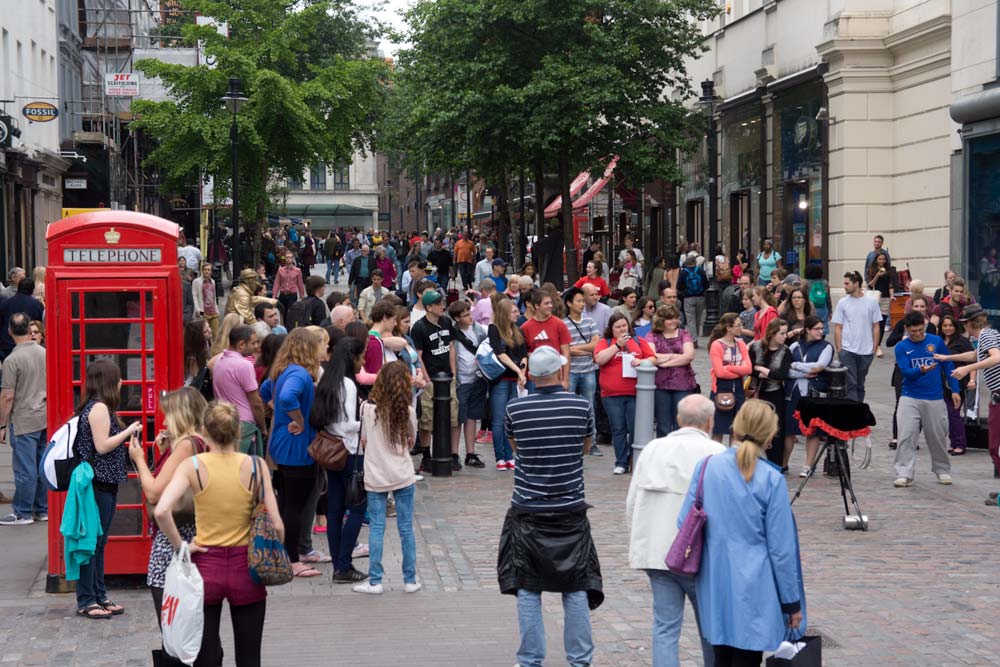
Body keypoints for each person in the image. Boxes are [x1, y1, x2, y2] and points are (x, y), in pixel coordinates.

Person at [678, 400, 805, 666]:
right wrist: (792, 602)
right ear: (770, 435)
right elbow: (781, 550)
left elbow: (684, 520)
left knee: (720, 657)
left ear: (735, 427)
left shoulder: (707, 466)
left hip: (715, 577)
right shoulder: (771, 479)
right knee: (748, 658)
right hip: (756, 583)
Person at [497, 346, 602, 667]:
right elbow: (584, 447)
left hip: (529, 509)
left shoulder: (516, 409)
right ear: (559, 372)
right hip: (570, 508)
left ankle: (530, 660)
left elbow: (517, 449)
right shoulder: (580, 406)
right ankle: (580, 660)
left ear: (530, 375)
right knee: (576, 587)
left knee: (528, 588)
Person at [154, 401, 279, 667]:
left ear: (204, 432)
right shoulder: (256, 466)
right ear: (238, 432)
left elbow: (162, 511)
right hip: (246, 568)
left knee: (206, 657)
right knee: (249, 658)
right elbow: (277, 526)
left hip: (205, 568)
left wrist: (182, 547)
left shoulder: (194, 466)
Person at [626, 395, 722, 667]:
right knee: (710, 629)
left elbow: (633, 501)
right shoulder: (715, 453)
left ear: (679, 420)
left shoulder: (654, 448)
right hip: (701, 556)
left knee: (665, 627)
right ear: (710, 421)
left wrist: (638, 543)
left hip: (659, 551)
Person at [127, 387, 208, 621]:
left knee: (172, 625)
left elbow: (153, 493)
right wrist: (164, 453)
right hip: (195, 531)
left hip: (175, 538)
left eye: (168, 414)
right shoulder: (199, 441)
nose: (165, 419)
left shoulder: (187, 444)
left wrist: (139, 459)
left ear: (180, 415)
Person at [71, 360, 144, 618]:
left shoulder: (100, 406)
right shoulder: (100, 408)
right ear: (109, 381)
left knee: (99, 543)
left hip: (104, 483)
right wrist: (130, 431)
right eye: (118, 377)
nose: (122, 382)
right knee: (92, 542)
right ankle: (87, 599)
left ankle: (99, 595)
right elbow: (102, 446)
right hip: (97, 483)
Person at [352, 361, 422, 595]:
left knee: (377, 528)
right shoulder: (407, 411)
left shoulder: (367, 409)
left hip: (376, 473)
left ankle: (375, 581)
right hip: (402, 473)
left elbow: (363, 440)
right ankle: (410, 579)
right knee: (405, 528)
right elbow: (412, 438)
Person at [260, 328, 322, 578]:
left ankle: (282, 554)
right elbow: (287, 397)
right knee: (296, 504)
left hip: (282, 441)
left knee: (286, 500)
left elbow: (266, 391)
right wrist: (298, 419)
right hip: (297, 444)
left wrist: (283, 414)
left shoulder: (283, 370)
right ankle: (293, 560)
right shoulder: (300, 373)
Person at [309, 337, 370, 583]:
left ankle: (338, 565)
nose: (363, 361)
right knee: (357, 507)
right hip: (349, 451)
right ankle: (344, 564)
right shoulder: (348, 384)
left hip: (331, 451)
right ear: (351, 358)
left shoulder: (328, 380)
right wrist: (366, 417)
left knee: (335, 510)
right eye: (361, 356)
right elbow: (347, 425)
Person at [891, 311, 959, 488]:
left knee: (937, 436)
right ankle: (904, 473)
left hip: (934, 396)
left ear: (925, 325)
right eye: (913, 331)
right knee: (906, 434)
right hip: (909, 396)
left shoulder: (936, 341)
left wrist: (955, 390)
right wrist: (921, 370)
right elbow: (905, 371)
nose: (918, 334)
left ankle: (942, 469)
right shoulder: (901, 347)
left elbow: (948, 365)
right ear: (906, 329)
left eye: (920, 330)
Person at [948, 304, 1000, 503]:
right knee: (995, 446)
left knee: (995, 447)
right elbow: (975, 355)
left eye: (964, 324)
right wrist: (949, 357)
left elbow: (996, 357)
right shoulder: (989, 335)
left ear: (969, 323)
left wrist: (968, 368)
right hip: (996, 396)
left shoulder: (986, 337)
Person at [594, 312, 656, 474]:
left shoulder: (638, 341)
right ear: (611, 329)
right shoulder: (605, 342)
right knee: (618, 428)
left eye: (624, 326)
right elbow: (600, 359)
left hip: (635, 393)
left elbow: (653, 358)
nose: (622, 329)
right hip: (611, 395)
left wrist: (641, 361)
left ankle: (631, 458)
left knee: (635, 427)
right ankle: (620, 461)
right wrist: (617, 346)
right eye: (618, 327)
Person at [0, 313, 48, 525]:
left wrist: (2, 424)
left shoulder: (12, 360)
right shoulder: (44, 353)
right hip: (45, 416)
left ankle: (22, 512)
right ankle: (42, 509)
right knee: (41, 466)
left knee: (25, 469)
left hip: (24, 419)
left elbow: (7, 396)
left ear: (10, 331)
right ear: (30, 330)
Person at [410, 290, 462, 472]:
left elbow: (451, 346)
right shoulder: (419, 327)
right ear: (429, 307)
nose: (443, 306)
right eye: (439, 304)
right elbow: (418, 355)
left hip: (447, 377)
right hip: (431, 378)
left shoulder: (446, 322)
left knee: (453, 416)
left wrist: (454, 372)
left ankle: (453, 454)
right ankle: (426, 454)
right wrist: (426, 378)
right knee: (428, 418)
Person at [785, 316, 833, 476]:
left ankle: (808, 465)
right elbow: (786, 370)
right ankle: (784, 463)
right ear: (807, 330)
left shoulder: (826, 347)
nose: (821, 331)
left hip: (813, 392)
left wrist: (797, 366)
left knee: (812, 430)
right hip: (794, 392)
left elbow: (819, 367)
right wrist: (803, 372)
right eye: (817, 328)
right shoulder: (794, 346)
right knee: (789, 430)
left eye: (822, 328)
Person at [213, 325, 268, 454]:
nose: (256, 346)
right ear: (241, 344)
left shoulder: (219, 362)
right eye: (253, 343)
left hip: (224, 422)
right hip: (244, 427)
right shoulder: (244, 366)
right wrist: (263, 428)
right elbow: (256, 402)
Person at [447, 300, 488, 468]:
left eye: (469, 313)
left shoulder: (479, 330)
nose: (470, 317)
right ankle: (454, 453)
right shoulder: (453, 333)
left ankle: (470, 453)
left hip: (478, 379)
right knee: (457, 418)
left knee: (472, 417)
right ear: (457, 318)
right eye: (465, 315)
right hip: (461, 381)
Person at [832, 271, 883, 403]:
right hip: (847, 350)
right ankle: (852, 413)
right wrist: (839, 349)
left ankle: (858, 410)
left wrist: (874, 347)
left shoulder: (871, 302)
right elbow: (838, 326)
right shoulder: (843, 302)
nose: (844, 286)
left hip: (866, 351)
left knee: (860, 383)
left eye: (847, 283)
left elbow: (876, 325)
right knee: (851, 383)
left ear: (856, 284)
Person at [488, 297, 527, 469]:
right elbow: (500, 353)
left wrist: (522, 372)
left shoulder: (518, 330)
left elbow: (524, 353)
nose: (517, 314)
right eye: (514, 311)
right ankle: (500, 456)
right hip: (501, 378)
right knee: (498, 419)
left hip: (515, 379)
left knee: (511, 420)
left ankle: (510, 455)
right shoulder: (494, 329)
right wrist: (518, 370)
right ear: (504, 313)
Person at [748, 319, 791, 469]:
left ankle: (774, 465)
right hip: (756, 393)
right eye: (782, 333)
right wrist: (761, 373)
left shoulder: (785, 351)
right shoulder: (755, 347)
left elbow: (782, 374)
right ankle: (752, 460)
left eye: (786, 333)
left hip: (775, 393)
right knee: (754, 427)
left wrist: (762, 369)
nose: (785, 336)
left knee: (776, 429)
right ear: (772, 333)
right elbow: (748, 368)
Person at [649, 306, 697, 437]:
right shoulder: (652, 336)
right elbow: (652, 357)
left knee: (680, 423)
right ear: (661, 320)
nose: (674, 321)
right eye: (670, 319)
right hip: (660, 385)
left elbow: (689, 356)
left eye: (676, 318)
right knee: (663, 424)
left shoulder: (684, 334)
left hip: (683, 384)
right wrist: (674, 356)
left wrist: (664, 364)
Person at [708, 314, 752, 444]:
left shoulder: (741, 344)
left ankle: (733, 458)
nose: (741, 328)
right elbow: (720, 372)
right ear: (729, 328)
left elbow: (748, 368)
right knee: (719, 430)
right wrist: (738, 370)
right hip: (721, 388)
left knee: (737, 430)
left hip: (738, 388)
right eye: (738, 325)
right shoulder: (717, 345)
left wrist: (730, 368)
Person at [563, 288, 600, 445]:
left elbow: (596, 345)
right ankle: (569, 439)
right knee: (568, 406)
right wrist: (584, 348)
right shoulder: (563, 324)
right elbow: (564, 349)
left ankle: (591, 442)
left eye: (583, 301)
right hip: (570, 371)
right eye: (579, 301)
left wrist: (574, 349)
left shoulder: (590, 321)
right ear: (569, 303)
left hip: (588, 371)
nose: (582, 304)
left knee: (589, 406)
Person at [938, 314, 974, 455]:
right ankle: (954, 443)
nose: (947, 328)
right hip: (939, 382)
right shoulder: (938, 341)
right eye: (945, 325)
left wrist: (972, 380)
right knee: (947, 414)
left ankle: (959, 444)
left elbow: (972, 362)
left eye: (950, 325)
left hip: (957, 382)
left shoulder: (962, 342)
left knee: (953, 413)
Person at [522, 289, 572, 388]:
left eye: (550, 303)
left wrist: (565, 379)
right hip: (535, 378)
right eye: (546, 303)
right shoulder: (525, 327)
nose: (550, 306)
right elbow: (523, 354)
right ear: (536, 306)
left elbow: (566, 353)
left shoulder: (559, 324)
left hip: (556, 376)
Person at [0, 279, 43, 358]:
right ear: (32, 289)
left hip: (7, 343)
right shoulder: (37, 304)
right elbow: (39, 323)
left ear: (18, 288)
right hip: (29, 343)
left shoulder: (5, 303)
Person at [865, 250, 896, 356]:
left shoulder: (889, 270)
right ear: (876, 260)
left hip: (885, 298)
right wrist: (877, 275)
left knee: (882, 322)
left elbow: (890, 285)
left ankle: (878, 346)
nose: (882, 261)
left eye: (884, 259)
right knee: (872, 322)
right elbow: (870, 284)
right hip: (874, 297)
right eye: (880, 259)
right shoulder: (872, 269)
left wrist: (892, 296)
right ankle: (870, 343)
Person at [678, 255, 708, 344]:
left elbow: (678, 286)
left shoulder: (684, 272)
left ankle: (693, 340)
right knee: (698, 318)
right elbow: (707, 284)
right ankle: (696, 336)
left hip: (688, 298)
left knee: (690, 319)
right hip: (701, 297)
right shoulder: (700, 271)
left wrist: (684, 292)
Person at [192, 261, 220, 336]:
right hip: (204, 312)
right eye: (205, 269)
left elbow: (214, 297)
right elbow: (194, 296)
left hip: (213, 312)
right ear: (202, 270)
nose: (207, 271)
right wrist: (197, 309)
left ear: (211, 271)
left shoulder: (213, 281)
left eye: (208, 270)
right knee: (204, 335)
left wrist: (217, 310)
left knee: (216, 334)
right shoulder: (196, 282)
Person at [274, 251, 306, 315]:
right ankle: (283, 325)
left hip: (292, 295)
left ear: (292, 259)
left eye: (290, 257)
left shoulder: (297, 271)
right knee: (282, 313)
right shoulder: (280, 270)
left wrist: (302, 296)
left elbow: (300, 284)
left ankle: (290, 325)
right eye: (287, 257)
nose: (288, 259)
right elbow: (277, 283)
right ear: (285, 259)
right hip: (282, 294)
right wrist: (274, 295)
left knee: (290, 312)